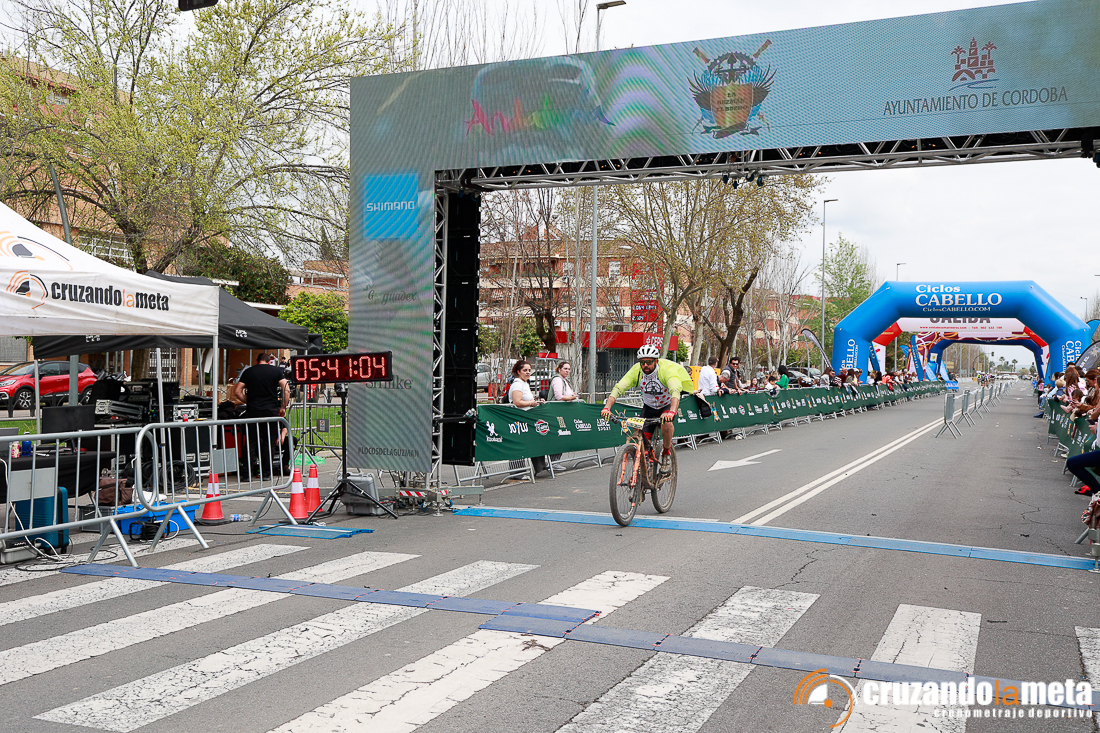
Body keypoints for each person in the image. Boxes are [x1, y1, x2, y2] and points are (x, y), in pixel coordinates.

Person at [601, 344, 693, 473]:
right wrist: (607, 408)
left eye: (649, 362)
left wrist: (672, 412)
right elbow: (619, 388)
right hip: (649, 407)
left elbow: (675, 390)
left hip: (666, 405)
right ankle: (645, 462)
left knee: (667, 423)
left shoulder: (667, 370)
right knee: (640, 437)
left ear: (656, 361)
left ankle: (666, 453)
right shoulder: (637, 370)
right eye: (642, 362)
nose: (645, 365)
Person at [233, 353, 291, 478]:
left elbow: (237, 391)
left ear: (256, 360)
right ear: (269, 361)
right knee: (268, 443)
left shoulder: (248, 372)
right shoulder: (276, 371)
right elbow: (286, 389)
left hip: (252, 411)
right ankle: (266, 473)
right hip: (270, 411)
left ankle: (246, 474)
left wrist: (248, 401)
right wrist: (283, 407)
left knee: (250, 443)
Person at [508, 360, 550, 475]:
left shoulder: (525, 383)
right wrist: (531, 403)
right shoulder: (517, 384)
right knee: (519, 444)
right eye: (525, 370)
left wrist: (536, 400)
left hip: (527, 417)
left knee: (535, 439)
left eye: (529, 370)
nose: (528, 372)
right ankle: (517, 472)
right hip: (518, 418)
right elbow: (517, 402)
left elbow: (527, 400)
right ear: (518, 372)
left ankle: (540, 466)